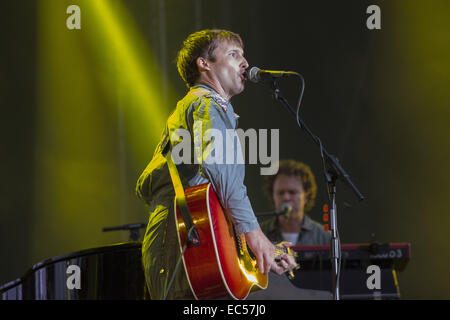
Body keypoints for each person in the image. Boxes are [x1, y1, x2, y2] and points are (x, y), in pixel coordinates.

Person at [136, 29, 297, 300]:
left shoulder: (205, 108)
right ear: (204, 63)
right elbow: (220, 170)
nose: (245, 63)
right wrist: (254, 234)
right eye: (234, 55)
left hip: (185, 235)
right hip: (179, 237)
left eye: (244, 56)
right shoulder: (207, 103)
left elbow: (217, 198)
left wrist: (262, 248)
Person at [260, 159, 331, 246]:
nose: (286, 197)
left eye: (292, 192)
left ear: (306, 196)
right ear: (272, 196)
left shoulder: (324, 237)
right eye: (280, 193)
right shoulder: (259, 234)